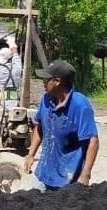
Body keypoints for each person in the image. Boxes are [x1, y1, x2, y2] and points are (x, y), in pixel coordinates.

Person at [24, 60, 100, 189]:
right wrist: (31, 154)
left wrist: (85, 174)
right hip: (43, 173)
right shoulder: (46, 99)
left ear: (57, 82)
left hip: (68, 179)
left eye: (46, 79)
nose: (43, 82)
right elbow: (40, 127)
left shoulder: (80, 105)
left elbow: (93, 141)